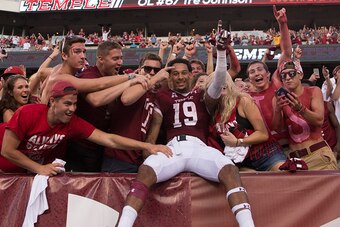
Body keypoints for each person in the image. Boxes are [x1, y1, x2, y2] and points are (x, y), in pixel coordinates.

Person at [118, 25, 255, 227]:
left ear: (191, 75)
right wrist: (150, 149)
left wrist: (220, 51)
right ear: (169, 77)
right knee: (145, 170)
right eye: (176, 74)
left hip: (199, 148)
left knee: (229, 170)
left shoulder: (202, 95)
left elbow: (218, 82)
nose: (180, 77)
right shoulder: (162, 97)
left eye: (184, 73)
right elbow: (155, 126)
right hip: (173, 149)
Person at [0, 80, 171, 175]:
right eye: (67, 103)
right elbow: (7, 150)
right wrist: (39, 169)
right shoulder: (28, 112)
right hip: (5, 168)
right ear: (52, 101)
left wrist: (148, 146)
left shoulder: (71, 122)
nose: (72, 109)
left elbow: (108, 139)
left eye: (74, 104)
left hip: (24, 170)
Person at [66, 41, 148, 172]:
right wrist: (128, 81)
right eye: (115, 58)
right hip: (79, 146)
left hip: (101, 147)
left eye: (121, 58)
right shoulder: (88, 75)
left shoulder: (116, 77)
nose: (120, 62)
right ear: (100, 59)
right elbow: (96, 100)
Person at [102, 53, 169, 173]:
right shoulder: (133, 84)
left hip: (136, 158)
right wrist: (155, 78)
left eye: (156, 70)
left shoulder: (153, 94)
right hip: (118, 158)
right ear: (139, 70)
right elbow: (126, 99)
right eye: (148, 69)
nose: (152, 72)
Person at [272, 61, 338, 170]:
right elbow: (277, 129)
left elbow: (319, 120)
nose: (287, 78)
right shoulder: (278, 99)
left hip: (317, 154)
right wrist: (277, 110)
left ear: (300, 75)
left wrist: (301, 109)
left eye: (292, 74)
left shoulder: (313, 91)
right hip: (294, 158)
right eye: (283, 76)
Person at [246, 6, 292, 150]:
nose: (257, 73)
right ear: (249, 78)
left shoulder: (277, 84)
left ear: (267, 74)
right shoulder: (245, 97)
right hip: (262, 150)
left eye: (260, 69)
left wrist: (282, 24)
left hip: (286, 146)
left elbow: (286, 53)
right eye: (252, 72)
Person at [39, 36, 134, 104]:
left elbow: (41, 72)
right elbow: (100, 84)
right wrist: (130, 77)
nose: (83, 57)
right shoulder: (61, 77)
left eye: (84, 52)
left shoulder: (57, 69)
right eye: (77, 52)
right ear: (64, 55)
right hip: (48, 129)